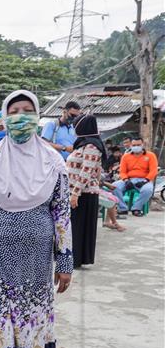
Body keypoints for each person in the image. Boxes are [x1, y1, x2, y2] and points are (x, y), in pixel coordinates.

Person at [0, 90, 73, 348]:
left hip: (36, 258)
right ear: (4, 117)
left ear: (37, 117)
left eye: (27, 110)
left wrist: (65, 260)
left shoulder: (53, 161)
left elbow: (61, 212)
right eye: (14, 110)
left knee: (31, 315)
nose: (20, 116)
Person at [68, 114, 107, 268]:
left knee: (78, 228)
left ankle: (76, 259)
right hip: (79, 193)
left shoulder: (92, 146)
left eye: (76, 125)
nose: (74, 128)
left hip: (83, 194)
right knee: (76, 227)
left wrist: (75, 194)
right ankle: (74, 258)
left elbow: (86, 172)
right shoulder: (84, 144)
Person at [112, 138, 158, 216]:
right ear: (131, 145)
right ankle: (123, 208)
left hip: (144, 180)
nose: (136, 147)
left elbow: (153, 171)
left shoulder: (150, 155)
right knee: (114, 186)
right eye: (134, 145)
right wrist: (126, 180)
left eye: (138, 145)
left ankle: (136, 208)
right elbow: (122, 172)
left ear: (143, 145)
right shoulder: (126, 156)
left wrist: (145, 181)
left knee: (148, 190)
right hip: (129, 179)